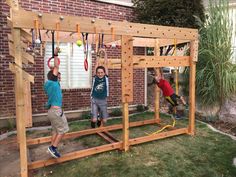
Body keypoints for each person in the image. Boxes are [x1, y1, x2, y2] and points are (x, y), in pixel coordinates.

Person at [44, 47, 69, 158]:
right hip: (55, 110)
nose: (60, 77)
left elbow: (55, 71)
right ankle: (53, 148)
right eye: (58, 75)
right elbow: (56, 66)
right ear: (54, 76)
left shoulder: (49, 85)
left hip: (51, 111)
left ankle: (51, 147)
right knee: (63, 129)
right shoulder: (53, 83)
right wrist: (55, 55)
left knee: (55, 130)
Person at [90, 49, 109, 128]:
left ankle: (99, 118)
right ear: (96, 73)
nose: (100, 74)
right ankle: (93, 120)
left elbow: (106, 64)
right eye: (98, 73)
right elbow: (96, 64)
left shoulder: (106, 78)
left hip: (103, 100)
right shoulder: (95, 78)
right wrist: (98, 55)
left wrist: (105, 54)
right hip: (94, 99)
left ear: (104, 73)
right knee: (94, 119)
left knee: (105, 120)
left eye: (101, 72)